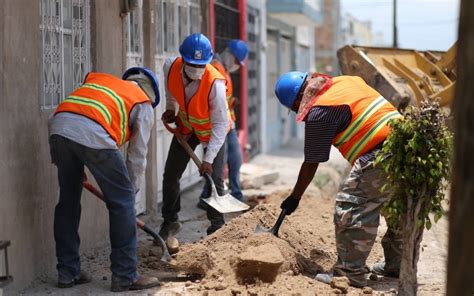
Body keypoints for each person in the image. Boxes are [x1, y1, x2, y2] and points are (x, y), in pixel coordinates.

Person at [274, 72, 403, 287]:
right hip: (405, 144)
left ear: (298, 101)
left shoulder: (320, 110)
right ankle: (398, 263)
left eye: (295, 109)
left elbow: (312, 162)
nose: (299, 112)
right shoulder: (345, 81)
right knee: (396, 205)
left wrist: (294, 197)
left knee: (352, 206)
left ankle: (350, 274)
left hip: (380, 153)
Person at [48, 67, 161, 292]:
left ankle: (67, 271)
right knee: (122, 204)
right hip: (93, 133)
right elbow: (137, 156)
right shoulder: (143, 103)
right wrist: (130, 193)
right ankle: (125, 275)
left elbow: (67, 117)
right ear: (152, 93)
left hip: (59, 128)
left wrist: (65, 162)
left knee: (68, 202)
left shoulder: (102, 82)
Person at [159, 33, 231, 249]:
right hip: (186, 128)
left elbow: (220, 124)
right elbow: (170, 90)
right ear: (183, 59)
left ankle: (216, 228)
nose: (196, 69)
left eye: (201, 65)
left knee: (215, 179)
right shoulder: (170, 66)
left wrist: (208, 159)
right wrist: (171, 110)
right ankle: (170, 221)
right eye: (191, 64)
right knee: (170, 175)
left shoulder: (215, 83)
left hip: (212, 132)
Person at [197, 39, 249, 208]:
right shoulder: (215, 68)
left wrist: (231, 102)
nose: (236, 65)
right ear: (229, 55)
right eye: (235, 61)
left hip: (228, 123)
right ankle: (210, 197)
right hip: (218, 126)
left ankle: (235, 195)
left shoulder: (223, 70)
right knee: (218, 166)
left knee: (235, 160)